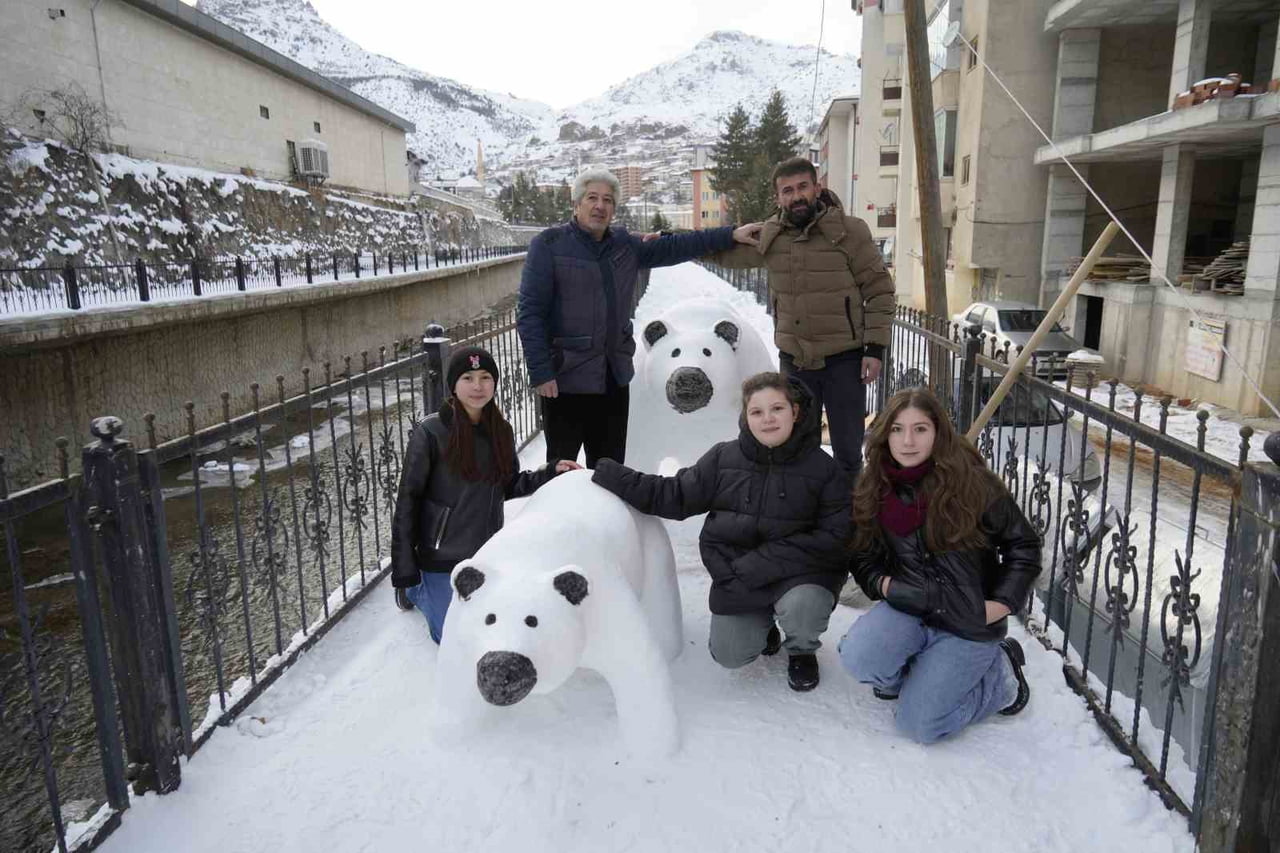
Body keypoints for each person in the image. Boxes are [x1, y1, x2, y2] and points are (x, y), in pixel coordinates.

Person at [592, 372, 850, 692]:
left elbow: (835, 538)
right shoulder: (724, 458)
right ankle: (764, 626)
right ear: (746, 416)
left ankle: (801, 648)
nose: (767, 419)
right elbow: (676, 495)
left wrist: (762, 562)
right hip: (740, 575)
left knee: (802, 607)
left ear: (795, 412)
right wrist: (606, 474)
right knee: (730, 654)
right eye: (757, 411)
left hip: (799, 575)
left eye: (777, 409)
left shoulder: (824, 469)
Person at [517, 168, 763, 469]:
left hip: (613, 379)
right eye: (592, 198)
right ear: (576, 203)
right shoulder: (549, 245)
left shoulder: (624, 245)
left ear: (614, 209)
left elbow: (676, 247)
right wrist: (541, 372)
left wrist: (729, 234)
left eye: (607, 200)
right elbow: (530, 312)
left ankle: (607, 517)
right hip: (567, 379)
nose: (600, 205)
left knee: (610, 469)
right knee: (560, 467)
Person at [837, 387, 1040, 744]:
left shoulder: (974, 484)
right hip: (910, 607)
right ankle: (916, 675)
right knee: (859, 658)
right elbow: (862, 554)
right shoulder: (876, 484)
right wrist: (884, 586)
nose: (908, 441)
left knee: (919, 726)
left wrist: (1000, 605)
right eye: (897, 429)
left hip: (967, 620)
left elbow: (1023, 545)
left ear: (938, 432)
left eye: (920, 429)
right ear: (885, 433)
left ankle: (1001, 679)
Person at [710, 156, 896, 480]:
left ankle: (850, 518)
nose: (796, 196)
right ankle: (806, 516)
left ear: (816, 187)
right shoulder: (769, 236)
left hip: (845, 361)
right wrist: (670, 241)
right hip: (796, 362)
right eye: (787, 191)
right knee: (796, 447)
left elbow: (879, 291)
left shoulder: (850, 231)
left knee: (848, 451)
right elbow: (723, 253)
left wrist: (875, 349)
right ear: (777, 198)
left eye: (802, 187)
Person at [390, 345, 581, 642]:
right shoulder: (430, 433)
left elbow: (508, 485)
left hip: (485, 554)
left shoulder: (500, 430)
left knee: (490, 629)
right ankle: (417, 591)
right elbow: (407, 502)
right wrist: (405, 570)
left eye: (485, 377)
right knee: (451, 638)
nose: (477, 386)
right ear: (453, 384)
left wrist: (549, 472)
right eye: (467, 378)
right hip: (440, 557)